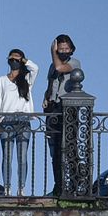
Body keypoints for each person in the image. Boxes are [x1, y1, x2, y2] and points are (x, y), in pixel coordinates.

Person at [42, 34, 84, 194]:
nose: (63, 51)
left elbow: (60, 68)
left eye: (66, 49)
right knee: (56, 151)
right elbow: (50, 83)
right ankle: (58, 185)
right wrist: (46, 98)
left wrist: (52, 52)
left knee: (70, 147)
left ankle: (75, 182)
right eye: (60, 49)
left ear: (71, 49)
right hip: (54, 108)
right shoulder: (52, 66)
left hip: (68, 108)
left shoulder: (74, 63)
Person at [0, 49, 38, 196]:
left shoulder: (27, 79)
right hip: (6, 120)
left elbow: (35, 68)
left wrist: (23, 60)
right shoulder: (2, 80)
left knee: (22, 157)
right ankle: (7, 187)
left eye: (17, 59)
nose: (14, 61)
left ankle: (21, 188)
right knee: (7, 156)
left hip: (23, 120)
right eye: (12, 59)